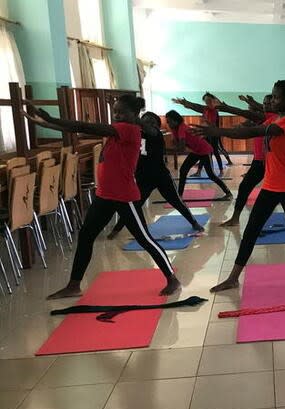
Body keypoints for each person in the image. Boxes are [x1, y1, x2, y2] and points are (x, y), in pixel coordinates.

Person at [24, 96, 181, 298]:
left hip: (124, 195)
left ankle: (172, 279)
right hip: (105, 195)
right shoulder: (119, 129)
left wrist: (51, 120)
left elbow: (82, 125)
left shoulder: (129, 129)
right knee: (86, 235)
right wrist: (49, 123)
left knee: (144, 239)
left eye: (121, 112)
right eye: (115, 112)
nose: (117, 116)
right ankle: (74, 285)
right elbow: (80, 128)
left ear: (134, 115)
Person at [191, 80, 285, 290]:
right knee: (251, 231)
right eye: (272, 96)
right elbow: (254, 127)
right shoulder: (275, 118)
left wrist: (219, 133)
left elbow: (255, 132)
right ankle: (233, 278)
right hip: (270, 187)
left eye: (277, 97)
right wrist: (231, 125)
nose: (273, 100)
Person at [107, 112, 204, 238]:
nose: (148, 123)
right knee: (134, 205)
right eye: (146, 120)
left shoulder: (157, 134)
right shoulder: (136, 134)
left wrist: (137, 120)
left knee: (176, 202)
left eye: (151, 122)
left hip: (161, 176)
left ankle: (194, 223)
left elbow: (150, 131)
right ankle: (116, 229)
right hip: (143, 177)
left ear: (156, 126)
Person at [217, 95, 278, 227]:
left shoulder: (271, 117)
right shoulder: (260, 118)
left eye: (269, 103)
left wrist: (226, 107)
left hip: (269, 162)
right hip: (259, 161)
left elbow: (244, 112)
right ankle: (235, 218)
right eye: (264, 103)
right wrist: (232, 128)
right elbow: (246, 123)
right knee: (245, 187)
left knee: (281, 193)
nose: (266, 105)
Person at [165, 110, 233, 200]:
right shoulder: (174, 129)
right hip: (196, 151)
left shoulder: (182, 128)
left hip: (205, 150)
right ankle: (179, 195)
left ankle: (228, 193)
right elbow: (177, 144)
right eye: (167, 122)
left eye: (169, 121)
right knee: (183, 170)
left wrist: (166, 150)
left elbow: (181, 148)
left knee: (211, 175)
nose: (168, 124)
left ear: (176, 121)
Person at [172, 93, 232, 172]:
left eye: (209, 101)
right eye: (206, 101)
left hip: (214, 134)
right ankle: (199, 171)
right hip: (205, 133)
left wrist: (206, 122)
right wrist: (184, 103)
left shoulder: (214, 110)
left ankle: (220, 170)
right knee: (203, 151)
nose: (208, 103)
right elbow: (195, 106)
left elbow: (213, 124)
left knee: (215, 151)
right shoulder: (205, 109)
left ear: (214, 101)